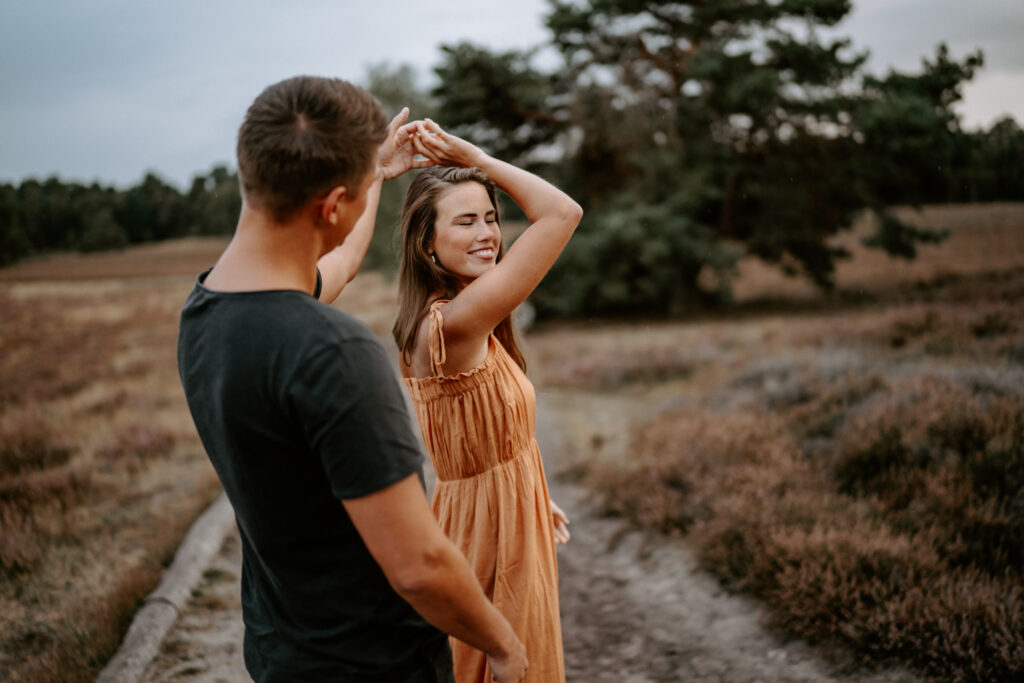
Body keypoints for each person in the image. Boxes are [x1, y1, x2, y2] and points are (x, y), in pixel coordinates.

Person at [177, 76, 528, 682]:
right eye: (361, 194)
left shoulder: (207, 308)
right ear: (332, 205)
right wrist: (502, 644)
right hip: (372, 665)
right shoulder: (332, 353)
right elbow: (419, 564)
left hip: (280, 652)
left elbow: (334, 264)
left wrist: (377, 172)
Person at [392, 119, 583, 682]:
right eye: (466, 220)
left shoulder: (464, 309)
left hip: (507, 520)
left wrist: (529, 493)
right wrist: (476, 156)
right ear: (427, 242)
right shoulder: (455, 323)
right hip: (490, 540)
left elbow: (477, 443)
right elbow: (562, 214)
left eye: (492, 218)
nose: (488, 234)